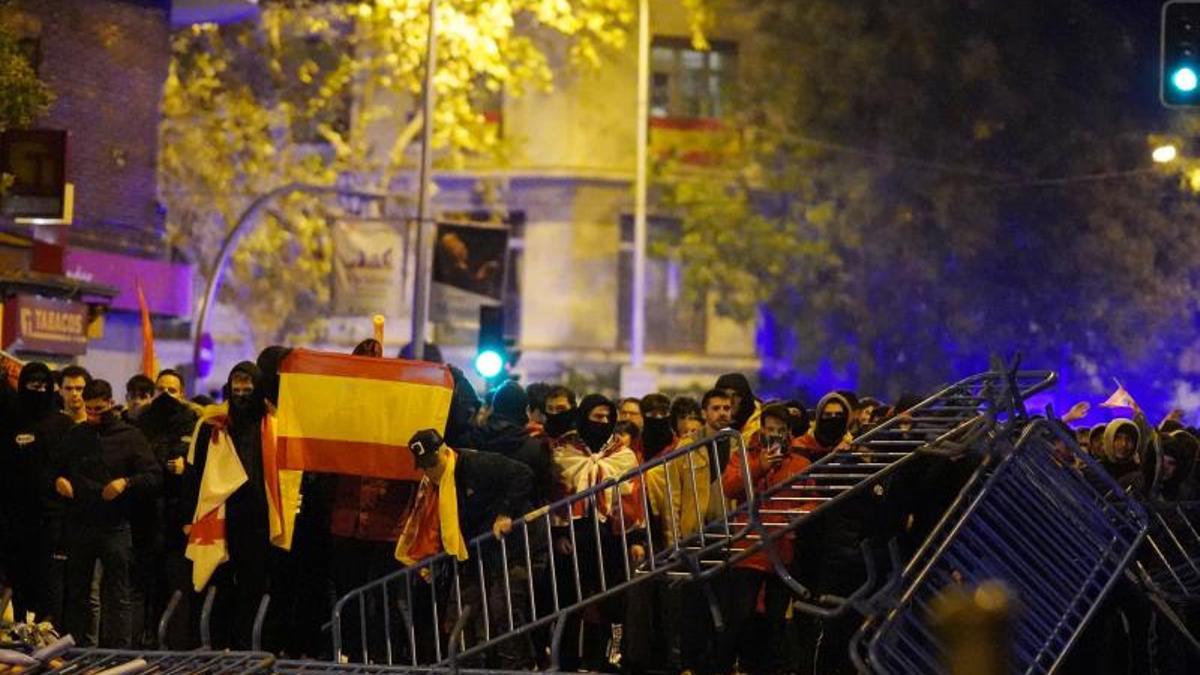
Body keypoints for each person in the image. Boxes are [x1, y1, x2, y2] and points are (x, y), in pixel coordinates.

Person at [400, 428, 534, 668]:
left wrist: (504, 513)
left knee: (503, 610)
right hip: (471, 554)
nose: (432, 470)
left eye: (434, 462)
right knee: (464, 613)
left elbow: (523, 474)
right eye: (426, 466)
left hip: (505, 550)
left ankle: (519, 666)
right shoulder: (435, 485)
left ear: (444, 451)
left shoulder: (476, 464)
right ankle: (473, 666)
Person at [56, 379, 159, 647]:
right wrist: (58, 480)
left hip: (115, 525)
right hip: (81, 524)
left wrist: (125, 482)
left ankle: (119, 651)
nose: (93, 415)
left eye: (98, 409)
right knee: (78, 592)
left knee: (118, 593)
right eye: (88, 410)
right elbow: (53, 468)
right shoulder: (76, 435)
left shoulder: (130, 436)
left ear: (111, 404)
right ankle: (75, 649)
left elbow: (153, 475)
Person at [718, 404, 813, 674]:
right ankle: (723, 666)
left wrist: (800, 513)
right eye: (770, 429)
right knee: (740, 615)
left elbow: (813, 500)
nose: (775, 435)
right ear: (761, 430)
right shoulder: (744, 456)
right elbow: (729, 487)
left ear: (789, 433)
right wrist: (759, 466)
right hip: (748, 549)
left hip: (783, 550)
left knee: (775, 621)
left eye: (780, 430)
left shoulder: (800, 463)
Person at [185, 362, 271, 649]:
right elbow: (194, 473)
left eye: (248, 389)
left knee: (252, 586)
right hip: (220, 517)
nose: (242, 394)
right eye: (237, 389)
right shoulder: (211, 424)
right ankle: (216, 644)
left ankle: (247, 646)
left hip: (259, 521)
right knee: (218, 584)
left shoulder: (273, 424)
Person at [128, 372, 200, 648]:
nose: (166, 394)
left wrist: (186, 470)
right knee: (145, 587)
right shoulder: (138, 424)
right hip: (145, 519)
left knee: (177, 586)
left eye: (172, 389)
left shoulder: (195, 425)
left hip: (177, 522)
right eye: (161, 388)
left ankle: (176, 644)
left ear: (182, 393)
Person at [0, 362, 74, 624]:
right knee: (19, 576)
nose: (39, 391)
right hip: (15, 516)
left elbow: (70, 466)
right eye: (33, 386)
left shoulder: (63, 424)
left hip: (52, 516)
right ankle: (20, 627)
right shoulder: (9, 421)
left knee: (50, 579)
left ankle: (48, 632)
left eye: (44, 386)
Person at [795, 392, 854, 460]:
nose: (833, 419)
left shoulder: (853, 444)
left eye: (838, 415)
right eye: (828, 415)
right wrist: (834, 455)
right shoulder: (800, 446)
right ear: (819, 417)